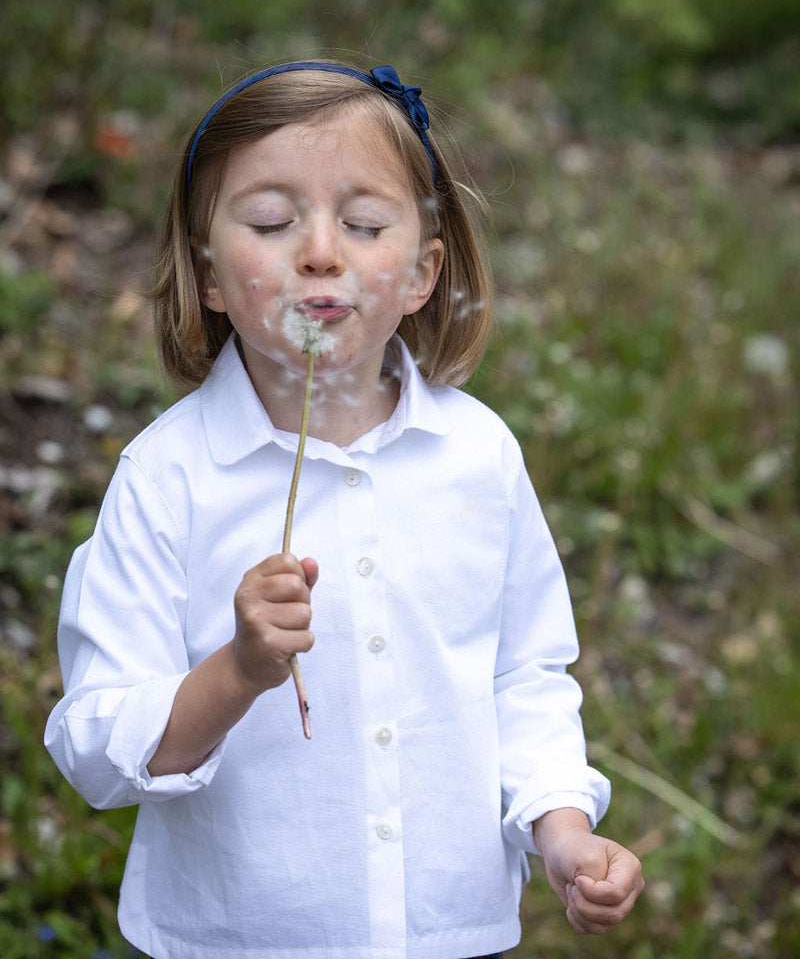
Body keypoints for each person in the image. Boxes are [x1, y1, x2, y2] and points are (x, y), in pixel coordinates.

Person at [44, 59, 644, 959]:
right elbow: (96, 749)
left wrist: (559, 828)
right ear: (206, 273)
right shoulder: (168, 475)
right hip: (237, 938)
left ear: (421, 275)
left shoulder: (479, 459)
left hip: (449, 932)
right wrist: (239, 669)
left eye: (363, 224)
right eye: (272, 222)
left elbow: (524, 676)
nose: (321, 251)